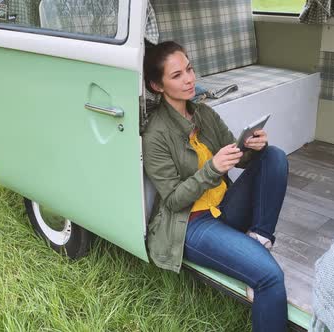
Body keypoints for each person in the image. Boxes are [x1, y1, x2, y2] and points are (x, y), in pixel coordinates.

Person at [142, 41, 289, 332]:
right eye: (176, 75)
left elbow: (238, 157)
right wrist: (212, 169)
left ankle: (258, 241)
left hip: (223, 208)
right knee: (270, 277)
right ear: (157, 86)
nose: (189, 79)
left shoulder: (203, 114)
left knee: (274, 157)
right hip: (191, 224)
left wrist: (251, 147)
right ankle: (256, 264)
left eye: (189, 69)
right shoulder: (156, 133)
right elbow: (172, 200)